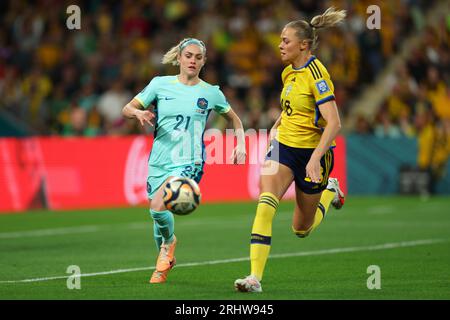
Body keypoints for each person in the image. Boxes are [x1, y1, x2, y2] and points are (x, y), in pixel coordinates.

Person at [234, 7, 346, 293]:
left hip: (313, 155)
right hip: (284, 148)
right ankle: (254, 277)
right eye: (281, 40)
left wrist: (316, 159)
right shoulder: (288, 73)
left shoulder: (317, 75)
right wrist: (275, 125)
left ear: (303, 45)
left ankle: (330, 189)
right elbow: (291, 109)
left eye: (285, 40)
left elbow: (334, 123)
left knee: (301, 229)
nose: (280, 45)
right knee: (265, 203)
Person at [122, 38, 246, 284]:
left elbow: (236, 120)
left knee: (158, 206)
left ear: (203, 62)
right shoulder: (159, 85)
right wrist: (138, 112)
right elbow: (127, 108)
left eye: (198, 57)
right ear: (179, 58)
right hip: (159, 160)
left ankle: (169, 244)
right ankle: (166, 252)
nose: (192, 60)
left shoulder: (211, 92)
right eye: (188, 56)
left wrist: (240, 144)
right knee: (157, 216)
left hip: (190, 161)